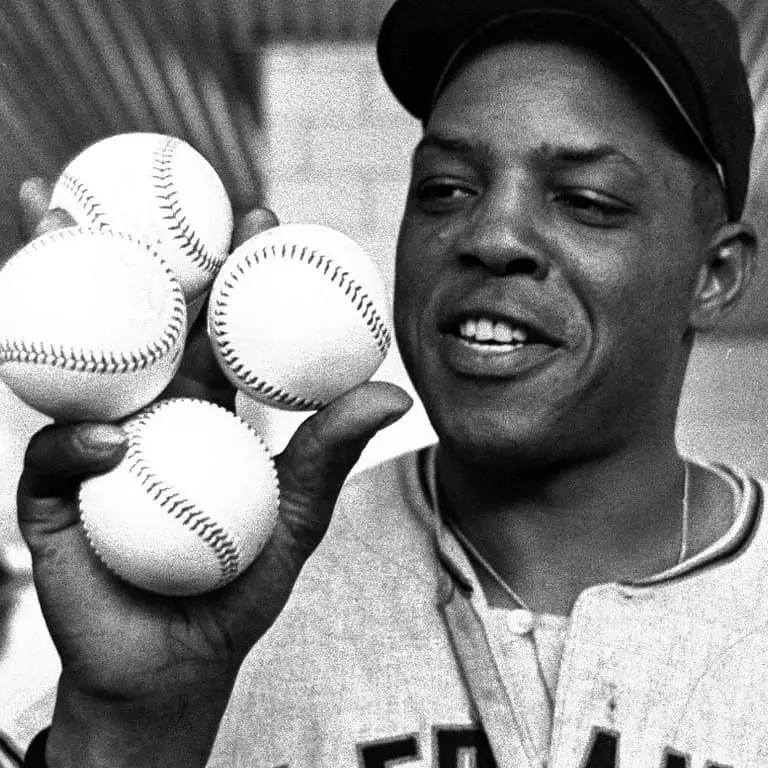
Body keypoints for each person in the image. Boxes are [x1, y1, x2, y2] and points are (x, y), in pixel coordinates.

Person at [12, 0, 765, 765]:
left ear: (715, 274)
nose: (491, 236)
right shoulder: (240, 591)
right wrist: (124, 731)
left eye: (586, 201)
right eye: (445, 188)